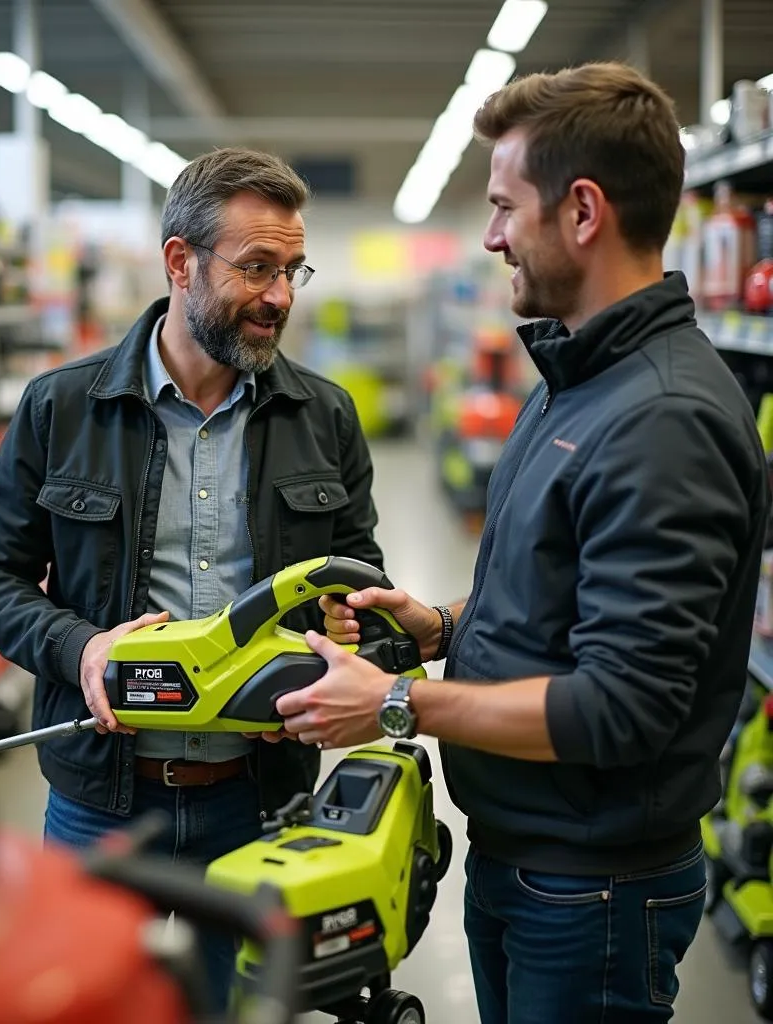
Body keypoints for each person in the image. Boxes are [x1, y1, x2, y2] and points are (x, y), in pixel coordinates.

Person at [275, 62, 771, 1023]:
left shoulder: (662, 417)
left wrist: (393, 705)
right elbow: (563, 591)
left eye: (506, 206)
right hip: (535, 858)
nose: (492, 233)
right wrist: (445, 623)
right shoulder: (576, 375)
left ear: (583, 211)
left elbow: (621, 707)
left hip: (590, 889)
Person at [0, 146, 383, 1011]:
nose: (280, 295)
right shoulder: (61, 407)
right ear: (180, 262)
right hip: (103, 803)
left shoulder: (325, 416)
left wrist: (345, 635)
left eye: (291, 268)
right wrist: (79, 650)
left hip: (258, 806)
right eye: (257, 267)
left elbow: (365, 582)